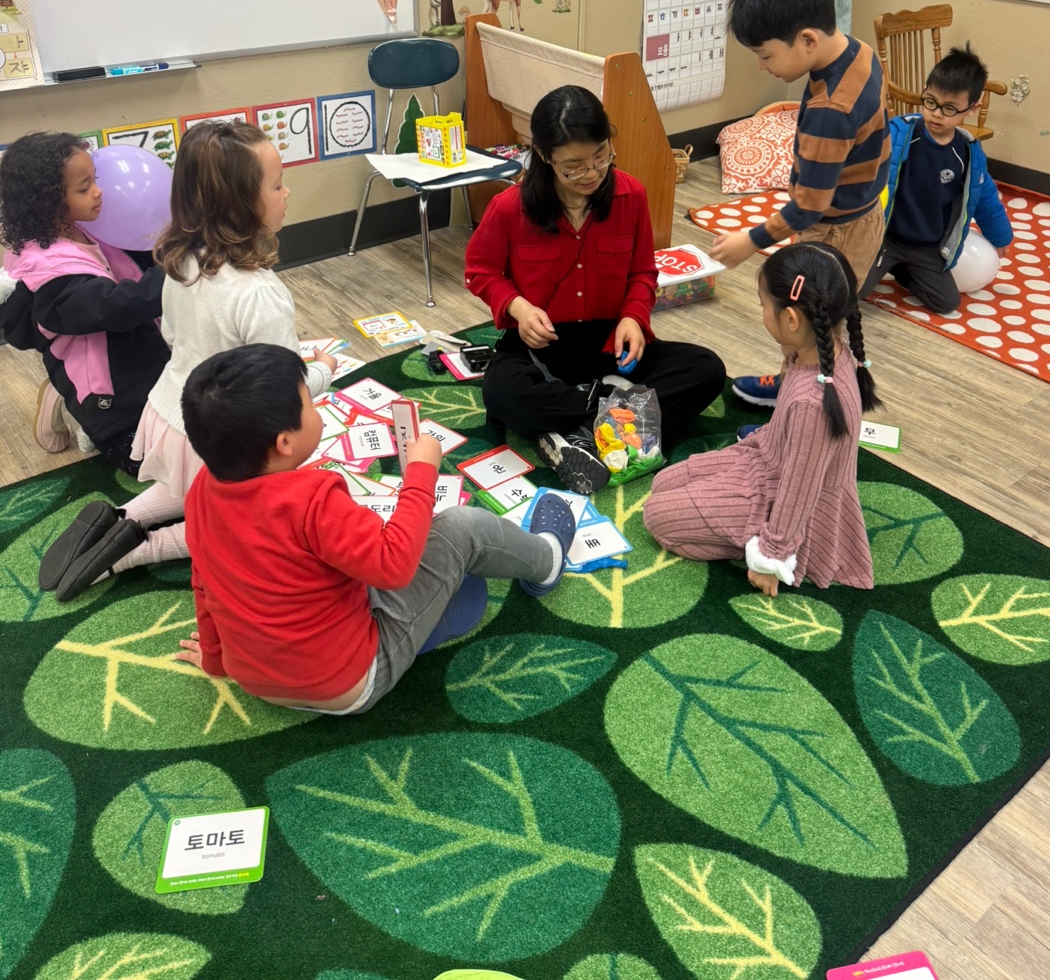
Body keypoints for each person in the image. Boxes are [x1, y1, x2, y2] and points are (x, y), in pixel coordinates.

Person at [172, 344, 580, 714]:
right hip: (351, 682)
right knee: (463, 527)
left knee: (455, 589)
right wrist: (421, 472)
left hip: (258, 682)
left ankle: (433, 618)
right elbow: (394, 567)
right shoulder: (313, 497)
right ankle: (548, 561)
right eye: (309, 404)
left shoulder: (202, 490)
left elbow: (203, 582)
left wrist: (215, 659)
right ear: (284, 443)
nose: (316, 409)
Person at [39, 120, 338, 603]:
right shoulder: (261, 294)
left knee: (192, 486)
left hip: (171, 415)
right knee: (236, 530)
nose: (287, 193)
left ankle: (123, 517)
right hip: (222, 436)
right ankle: (128, 553)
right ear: (242, 204)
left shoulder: (181, 261)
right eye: (277, 185)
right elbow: (279, 395)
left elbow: (175, 337)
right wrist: (322, 370)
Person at [464, 85, 727, 494]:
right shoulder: (510, 207)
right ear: (545, 156)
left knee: (706, 369)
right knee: (501, 393)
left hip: (610, 346)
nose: (591, 173)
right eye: (574, 166)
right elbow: (479, 272)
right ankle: (614, 421)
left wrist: (633, 318)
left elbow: (643, 273)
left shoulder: (630, 194)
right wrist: (518, 307)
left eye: (601, 156)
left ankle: (577, 429)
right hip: (540, 346)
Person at [710, 0, 890, 408]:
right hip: (863, 213)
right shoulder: (859, 51)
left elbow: (809, 205)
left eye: (765, 55)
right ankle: (798, 384)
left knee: (804, 325)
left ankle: (804, 400)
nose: (761, 66)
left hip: (833, 230)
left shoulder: (832, 109)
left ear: (808, 40)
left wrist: (750, 240)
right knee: (820, 325)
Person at [643, 243, 878, 593]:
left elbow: (799, 490)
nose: (762, 312)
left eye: (763, 305)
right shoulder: (821, 348)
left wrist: (771, 557)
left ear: (792, 320)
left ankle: (759, 541)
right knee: (664, 481)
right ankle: (737, 520)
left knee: (658, 516)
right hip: (767, 459)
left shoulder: (812, 404)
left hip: (787, 499)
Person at [0, 132, 169, 470]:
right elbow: (115, 307)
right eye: (83, 187)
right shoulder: (52, 275)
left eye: (95, 179)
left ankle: (62, 387)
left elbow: (135, 262)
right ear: (48, 202)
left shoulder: (89, 227)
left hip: (136, 361)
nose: (98, 192)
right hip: (113, 404)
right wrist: (177, 271)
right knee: (161, 464)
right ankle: (74, 397)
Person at [860, 44, 1012, 313]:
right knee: (852, 291)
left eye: (950, 108)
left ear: (972, 108)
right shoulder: (900, 134)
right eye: (930, 102)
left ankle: (903, 271)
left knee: (947, 303)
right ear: (925, 91)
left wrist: (1001, 237)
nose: (937, 113)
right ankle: (889, 264)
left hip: (928, 247)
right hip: (886, 238)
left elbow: (985, 197)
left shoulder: (968, 153)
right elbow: (864, 163)